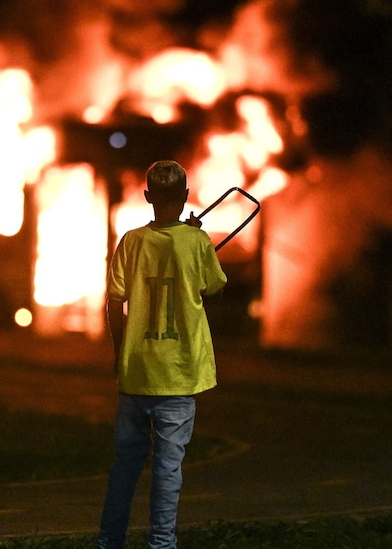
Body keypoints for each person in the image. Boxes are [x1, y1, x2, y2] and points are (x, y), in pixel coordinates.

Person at [97, 160, 227, 549]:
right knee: (168, 470)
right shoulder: (197, 242)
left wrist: (120, 352)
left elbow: (114, 301)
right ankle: (161, 544)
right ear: (185, 197)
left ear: (147, 196)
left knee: (125, 465)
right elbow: (215, 287)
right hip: (179, 375)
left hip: (136, 374)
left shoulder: (131, 241)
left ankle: (109, 542)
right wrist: (195, 237)